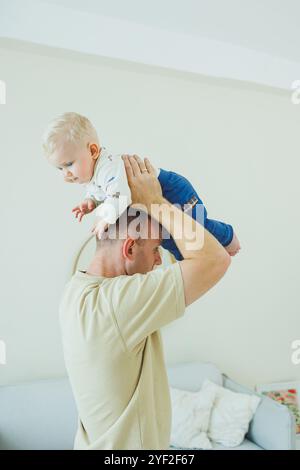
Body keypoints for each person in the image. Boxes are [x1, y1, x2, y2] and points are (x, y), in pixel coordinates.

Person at [59, 154, 231, 450]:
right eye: (155, 249)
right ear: (129, 247)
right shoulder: (117, 304)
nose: (158, 261)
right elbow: (215, 260)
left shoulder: (76, 292)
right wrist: (155, 203)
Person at [42, 112, 241, 259]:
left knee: (195, 229)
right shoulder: (94, 177)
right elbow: (101, 193)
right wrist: (90, 202)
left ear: (93, 150)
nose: (66, 174)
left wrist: (105, 218)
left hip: (172, 190)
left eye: (68, 164)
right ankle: (214, 253)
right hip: (154, 201)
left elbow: (119, 196)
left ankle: (228, 236)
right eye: (59, 169)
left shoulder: (108, 167)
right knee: (173, 242)